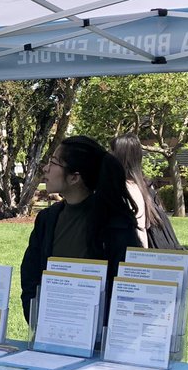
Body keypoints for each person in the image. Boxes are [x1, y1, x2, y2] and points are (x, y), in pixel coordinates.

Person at [20, 136, 141, 326]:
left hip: (98, 340)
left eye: (53, 163)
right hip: (50, 332)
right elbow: (30, 275)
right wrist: (37, 318)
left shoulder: (115, 224)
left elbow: (126, 286)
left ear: (74, 177)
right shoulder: (46, 219)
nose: (45, 169)